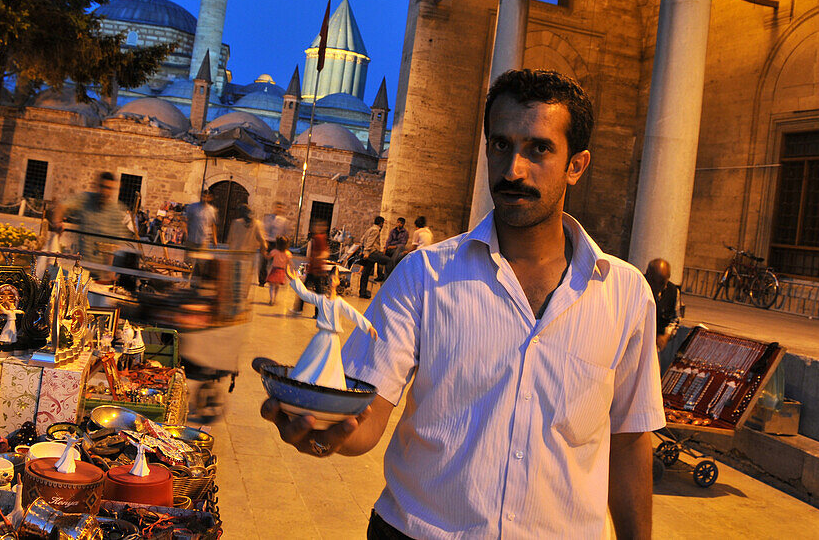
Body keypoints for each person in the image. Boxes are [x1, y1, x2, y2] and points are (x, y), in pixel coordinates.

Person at [262, 69, 664, 539]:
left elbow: (631, 440)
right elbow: (368, 412)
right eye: (500, 146)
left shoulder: (625, 293)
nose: (513, 169)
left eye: (538, 148)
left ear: (576, 165)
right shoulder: (424, 277)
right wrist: (326, 430)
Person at [286, 266, 378, 389]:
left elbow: (353, 314)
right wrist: (295, 280)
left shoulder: (339, 303)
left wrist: (368, 327)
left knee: (331, 364)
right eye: (330, 278)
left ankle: (328, 386)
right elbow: (305, 295)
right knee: (312, 360)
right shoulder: (321, 299)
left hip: (332, 339)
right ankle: (307, 380)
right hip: (321, 337)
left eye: (335, 278)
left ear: (338, 281)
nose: (332, 281)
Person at [50, 172, 132, 274]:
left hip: (101, 273)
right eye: (103, 187)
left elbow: (115, 248)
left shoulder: (116, 212)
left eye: (109, 188)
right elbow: (62, 206)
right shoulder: (86, 200)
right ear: (97, 186)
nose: (105, 192)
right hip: (82, 268)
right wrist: (57, 222)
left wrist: (108, 274)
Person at [291, 219, 329, 318]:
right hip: (315, 269)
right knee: (315, 291)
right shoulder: (319, 237)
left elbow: (324, 253)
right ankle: (313, 312)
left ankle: (302, 309)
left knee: (311, 291)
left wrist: (317, 259)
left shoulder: (319, 238)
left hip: (316, 269)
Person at [646, 258, 684, 352]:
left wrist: (666, 335)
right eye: (653, 282)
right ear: (647, 274)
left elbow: (675, 319)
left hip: (656, 342)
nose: (657, 287)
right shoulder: (637, 285)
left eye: (662, 283)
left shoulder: (673, 292)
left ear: (668, 277)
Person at [357, 216, 387, 299]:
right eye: (383, 223)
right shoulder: (376, 230)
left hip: (368, 253)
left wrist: (362, 250)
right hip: (372, 253)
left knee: (365, 273)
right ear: (381, 223)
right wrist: (366, 252)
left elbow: (362, 240)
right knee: (389, 261)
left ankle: (362, 292)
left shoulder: (370, 229)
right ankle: (383, 279)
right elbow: (370, 242)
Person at [260, 203, 290, 286]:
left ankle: (273, 280)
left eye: (280, 207)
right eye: (277, 207)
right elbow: (263, 229)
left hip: (277, 243)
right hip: (267, 241)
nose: (278, 209)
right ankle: (262, 281)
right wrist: (263, 242)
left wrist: (285, 246)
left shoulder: (284, 221)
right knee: (263, 262)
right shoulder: (267, 218)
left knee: (276, 264)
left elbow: (285, 233)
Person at [264, 237, 292, 307]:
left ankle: (272, 299)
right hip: (281, 271)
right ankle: (275, 298)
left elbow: (268, 257)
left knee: (271, 286)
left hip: (274, 270)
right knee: (277, 286)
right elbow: (289, 263)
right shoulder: (288, 253)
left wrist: (264, 253)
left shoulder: (275, 251)